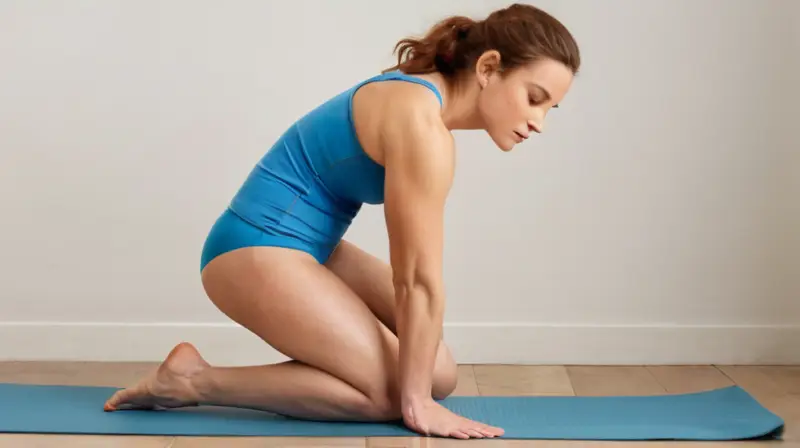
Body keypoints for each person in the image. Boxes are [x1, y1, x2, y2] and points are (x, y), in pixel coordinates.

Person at [103, 3, 580, 440]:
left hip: (312, 248)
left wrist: (423, 392)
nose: (539, 121)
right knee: (392, 396)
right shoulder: (420, 124)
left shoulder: (422, 102)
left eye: (549, 107)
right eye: (534, 97)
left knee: (440, 373)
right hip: (251, 248)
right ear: (489, 68)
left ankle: (379, 383)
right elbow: (416, 279)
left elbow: (417, 285)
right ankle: (194, 380)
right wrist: (415, 406)